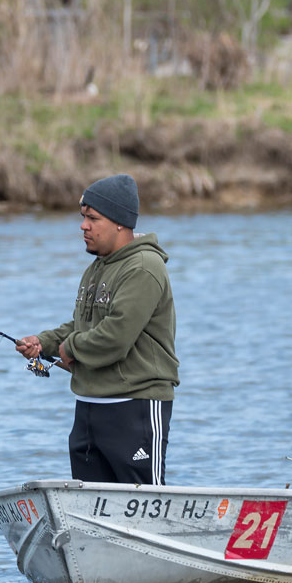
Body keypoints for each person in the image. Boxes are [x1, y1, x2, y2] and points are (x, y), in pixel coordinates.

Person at [16, 174, 178, 485]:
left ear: (119, 222)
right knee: (92, 503)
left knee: (143, 501)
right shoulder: (95, 268)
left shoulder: (144, 267)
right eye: (83, 217)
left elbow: (115, 337)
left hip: (135, 406)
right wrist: (44, 343)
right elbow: (82, 327)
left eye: (93, 218)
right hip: (89, 407)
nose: (83, 226)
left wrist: (71, 349)